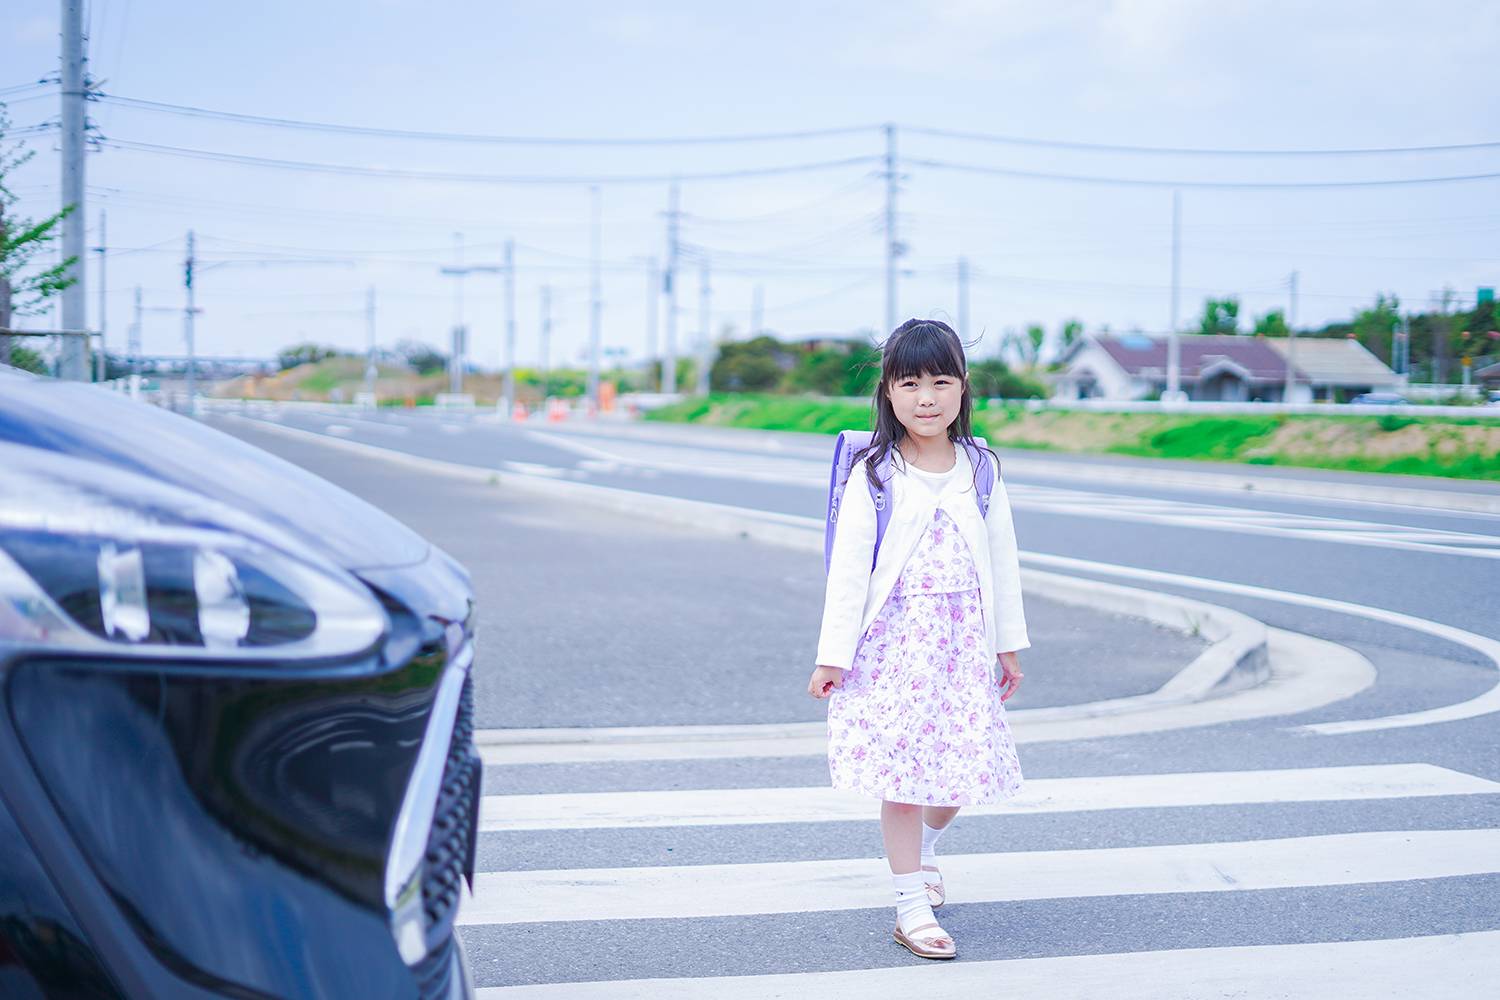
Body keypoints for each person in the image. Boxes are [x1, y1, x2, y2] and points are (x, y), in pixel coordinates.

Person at [808, 319, 1028, 960]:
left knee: (958, 776)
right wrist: (833, 654)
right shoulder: (874, 471)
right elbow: (849, 570)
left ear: (963, 389)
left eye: (941, 381)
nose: (926, 397)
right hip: (892, 645)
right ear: (888, 392)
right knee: (902, 779)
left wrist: (1005, 643)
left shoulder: (981, 466)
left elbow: (1003, 558)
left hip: (961, 644)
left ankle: (928, 850)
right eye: (911, 383)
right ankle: (910, 905)